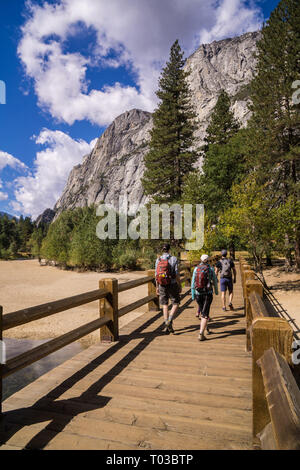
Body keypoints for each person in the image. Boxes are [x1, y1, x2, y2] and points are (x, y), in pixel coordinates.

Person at [155, 243, 181, 334]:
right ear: (169, 250)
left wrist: (157, 287)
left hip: (162, 284)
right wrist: (179, 284)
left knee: (164, 304)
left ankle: (166, 322)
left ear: (162, 250)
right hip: (172, 284)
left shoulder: (158, 260)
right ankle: (170, 319)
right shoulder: (174, 259)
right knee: (176, 302)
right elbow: (177, 274)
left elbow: (156, 275)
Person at [191, 254, 218, 342]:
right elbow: (214, 280)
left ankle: (207, 329)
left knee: (203, 311)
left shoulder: (196, 269)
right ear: (208, 260)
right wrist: (216, 291)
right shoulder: (210, 269)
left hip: (198, 293)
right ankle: (201, 334)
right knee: (205, 314)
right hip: (207, 293)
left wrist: (193, 294)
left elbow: (192, 282)